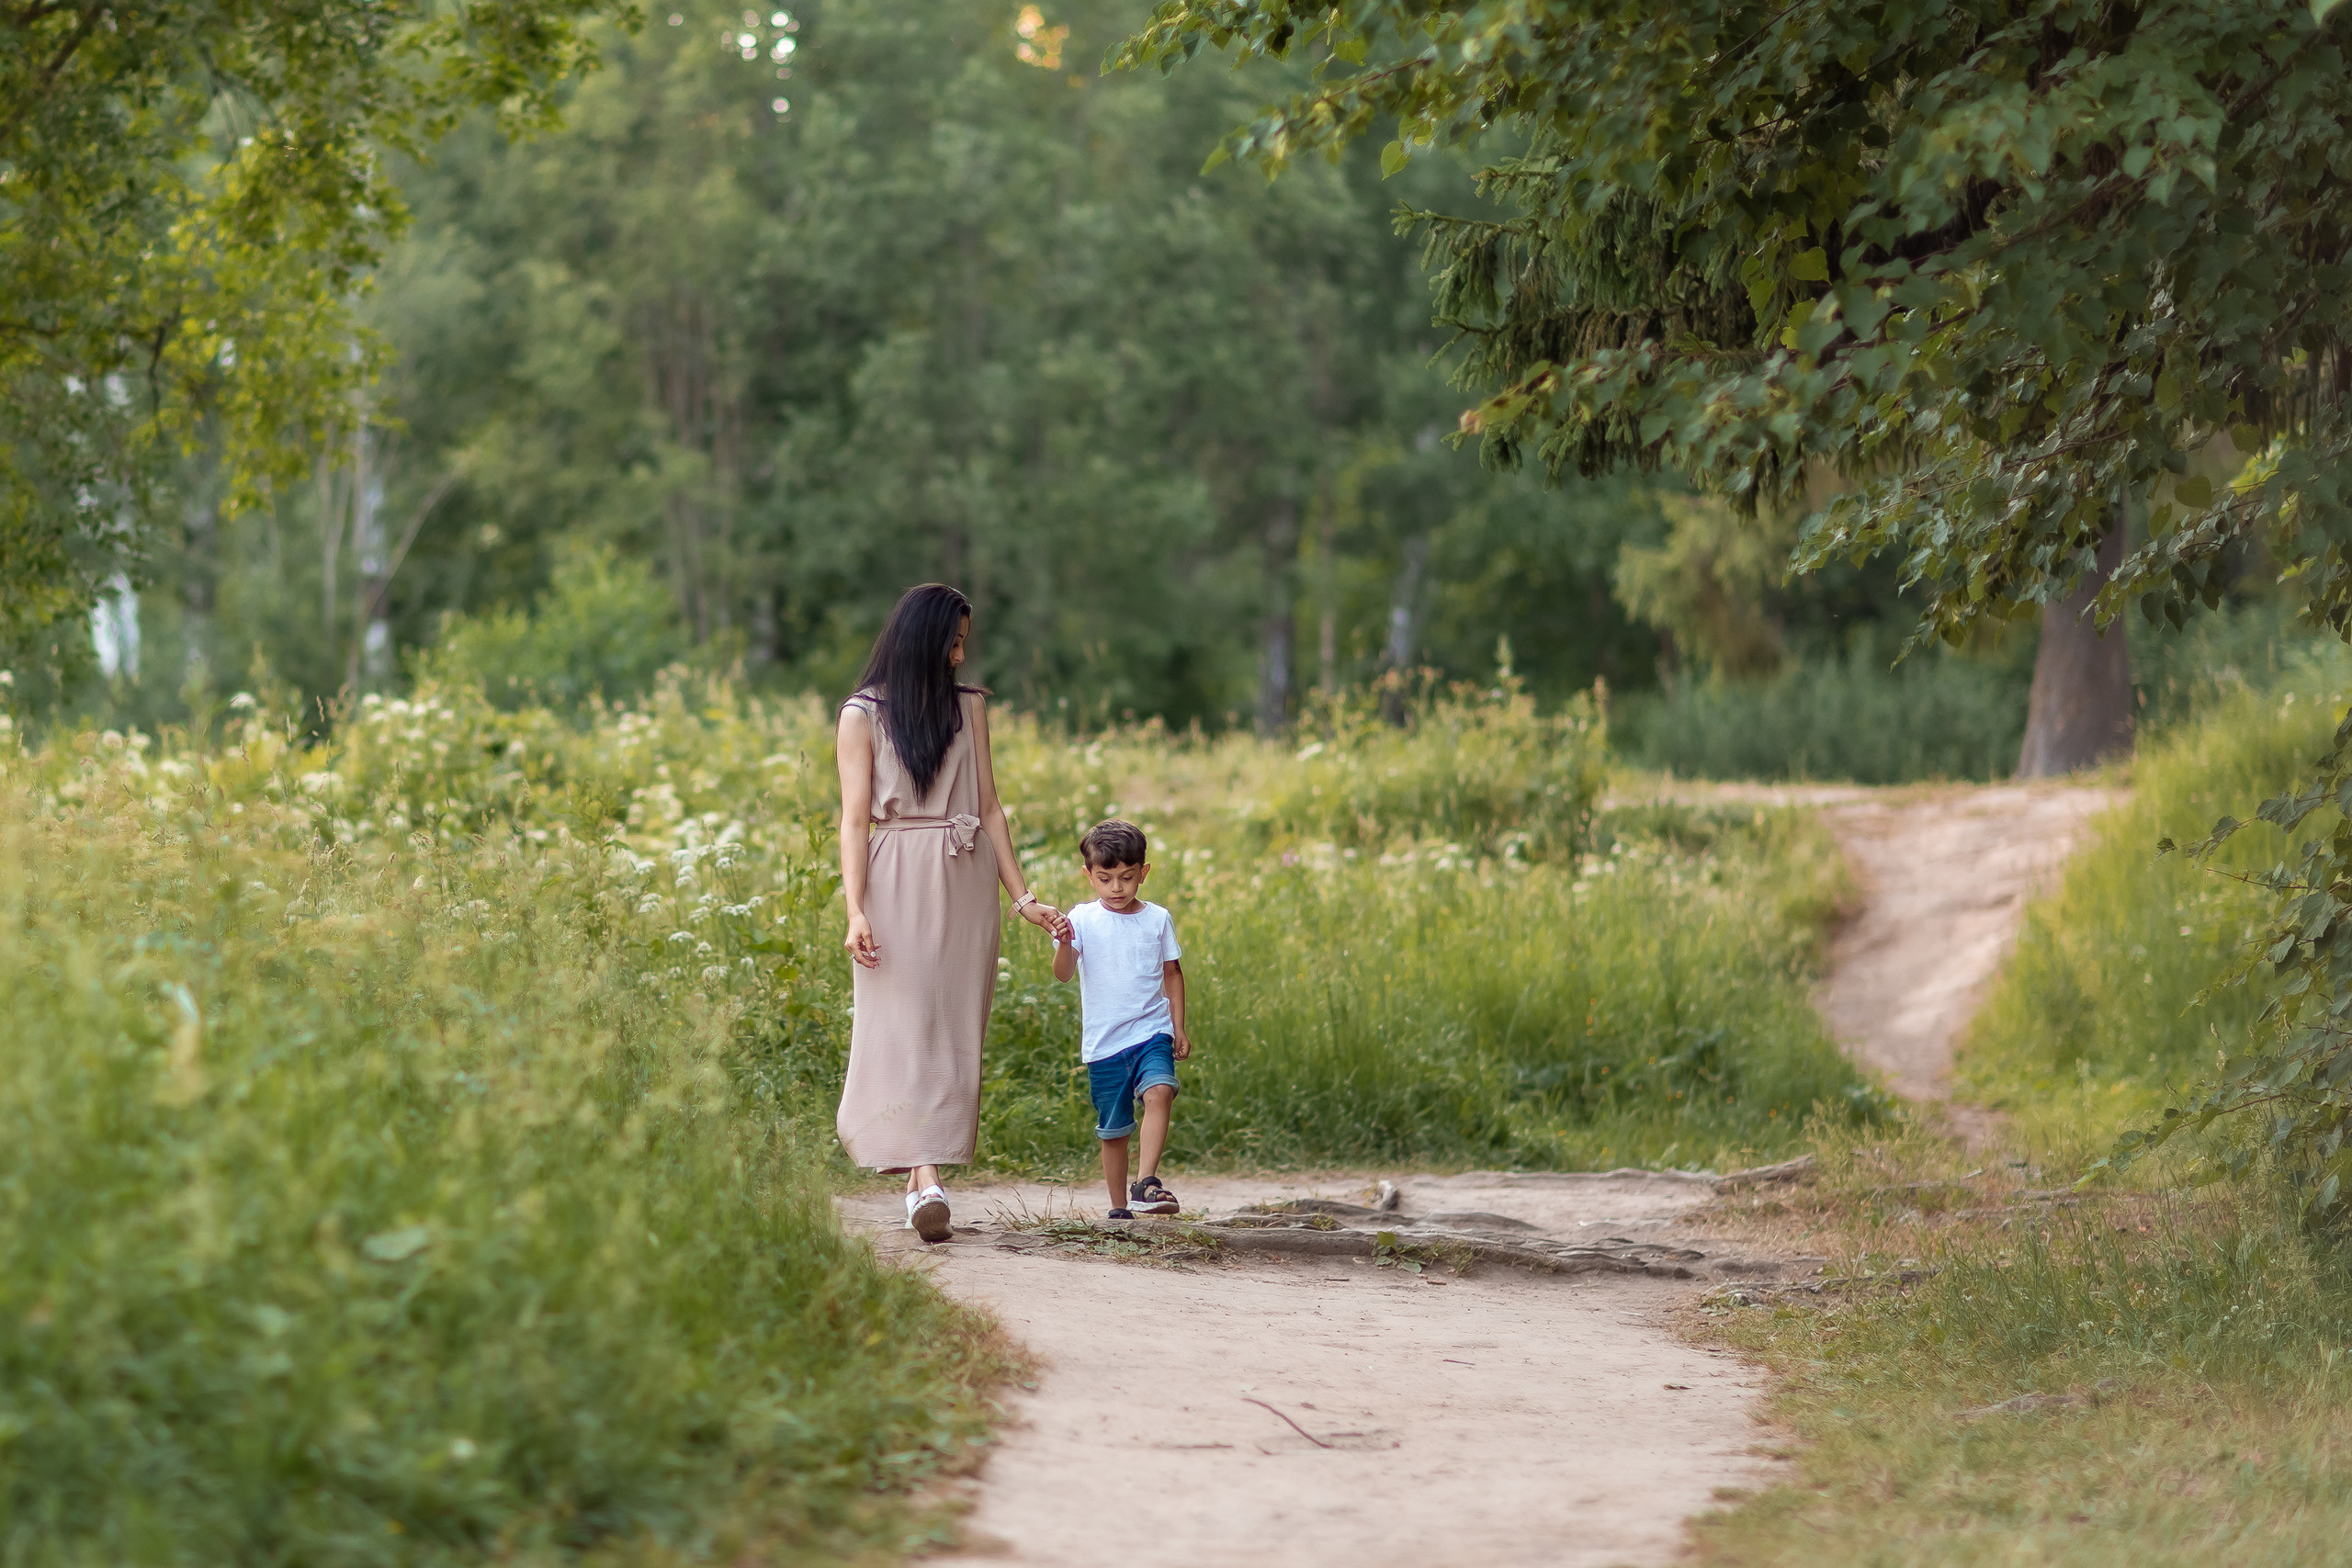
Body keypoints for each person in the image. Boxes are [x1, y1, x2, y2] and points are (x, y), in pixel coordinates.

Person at [835, 583, 1063, 1243]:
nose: (960, 655)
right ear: (923, 640)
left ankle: (920, 1184)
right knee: (903, 1023)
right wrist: (855, 909)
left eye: (964, 643)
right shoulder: (861, 715)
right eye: (953, 642)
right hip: (895, 875)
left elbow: (989, 807)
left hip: (965, 877)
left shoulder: (970, 707)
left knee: (951, 1028)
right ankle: (927, 1176)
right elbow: (853, 820)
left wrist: (1022, 897)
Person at [1051, 818, 1191, 1219]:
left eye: (1127, 878)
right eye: (1105, 878)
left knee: (1160, 1091)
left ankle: (1146, 1183)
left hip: (1152, 1032)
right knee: (1114, 1131)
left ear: (1143, 873)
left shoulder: (1157, 918)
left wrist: (1179, 1027)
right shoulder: (1081, 919)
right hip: (1105, 1044)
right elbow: (1063, 973)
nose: (1116, 888)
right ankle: (1118, 1208)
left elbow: (1172, 973)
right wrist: (1064, 942)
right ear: (1088, 875)